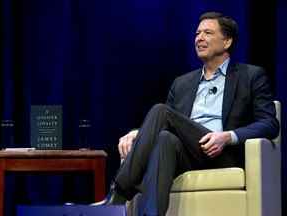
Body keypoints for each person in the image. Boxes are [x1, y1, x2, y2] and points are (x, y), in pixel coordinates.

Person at [93, 11, 280, 216]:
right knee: (164, 138)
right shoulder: (182, 83)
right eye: (197, 33)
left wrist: (227, 137)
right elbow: (165, 124)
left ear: (227, 41)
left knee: (160, 111)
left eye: (208, 33)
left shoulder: (251, 76)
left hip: (223, 153)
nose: (199, 38)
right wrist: (139, 132)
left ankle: (117, 194)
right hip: (187, 152)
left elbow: (270, 124)